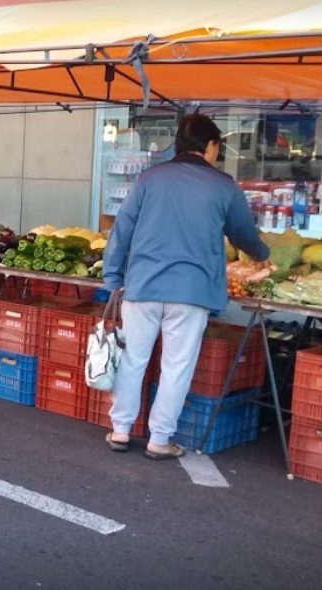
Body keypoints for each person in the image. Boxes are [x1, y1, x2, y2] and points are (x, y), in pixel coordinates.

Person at [102, 113, 271, 461]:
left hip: (144, 285)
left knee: (133, 358)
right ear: (210, 146)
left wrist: (114, 278)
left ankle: (120, 430)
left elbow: (122, 231)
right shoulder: (223, 185)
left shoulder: (150, 178)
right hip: (191, 292)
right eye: (217, 147)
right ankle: (159, 439)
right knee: (176, 366)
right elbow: (243, 234)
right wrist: (262, 255)